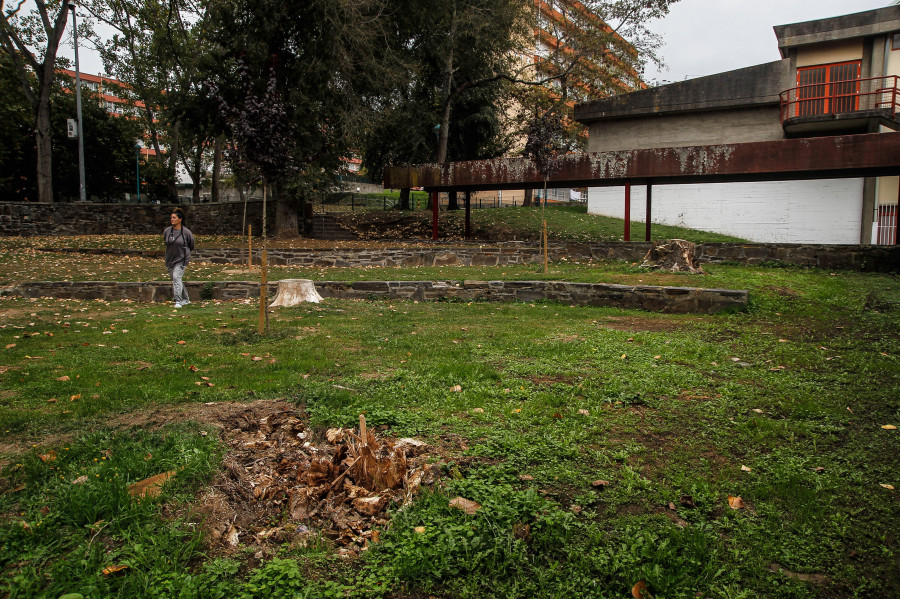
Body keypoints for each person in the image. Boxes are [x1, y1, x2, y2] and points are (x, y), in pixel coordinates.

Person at [163, 209, 195, 308]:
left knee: (176, 277)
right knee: (177, 279)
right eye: (171, 218)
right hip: (170, 259)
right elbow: (166, 242)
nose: (171, 219)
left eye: (174, 218)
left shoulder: (186, 232)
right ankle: (186, 299)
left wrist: (185, 258)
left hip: (181, 260)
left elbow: (191, 245)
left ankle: (178, 301)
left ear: (180, 219)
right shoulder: (167, 231)